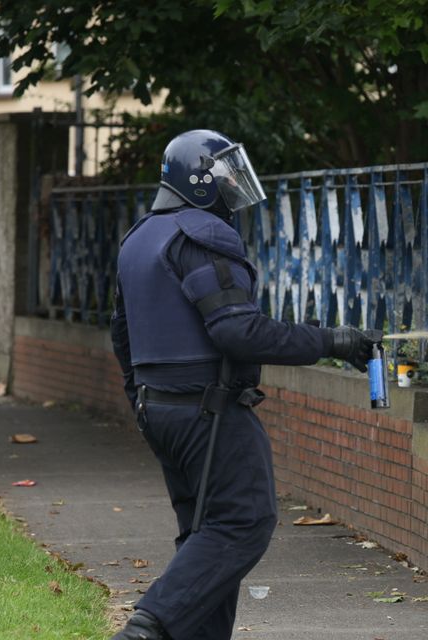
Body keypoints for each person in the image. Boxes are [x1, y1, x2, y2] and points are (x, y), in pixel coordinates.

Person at [109, 129, 373, 640]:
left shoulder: (138, 239)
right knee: (244, 522)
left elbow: (121, 335)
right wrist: (333, 341)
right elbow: (237, 330)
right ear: (200, 181)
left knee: (206, 542)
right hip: (209, 411)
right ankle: (147, 626)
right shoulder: (201, 235)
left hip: (161, 409)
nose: (234, 186)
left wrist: (142, 404)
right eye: (226, 176)